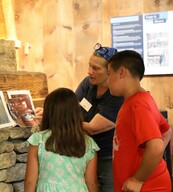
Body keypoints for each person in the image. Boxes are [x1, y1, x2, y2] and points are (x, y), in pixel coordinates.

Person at [34, 42, 123, 192]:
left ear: (110, 72)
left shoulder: (117, 96)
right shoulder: (88, 83)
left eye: (96, 68)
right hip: (83, 151)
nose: (89, 71)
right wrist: (49, 110)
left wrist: (54, 116)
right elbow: (70, 109)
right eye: (89, 66)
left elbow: (93, 128)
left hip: (107, 157)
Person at [107, 50, 172, 192]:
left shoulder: (138, 105)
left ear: (122, 72)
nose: (108, 80)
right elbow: (166, 131)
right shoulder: (141, 100)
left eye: (109, 74)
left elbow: (156, 147)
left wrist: (138, 179)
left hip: (148, 187)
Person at [25, 88, 99, 192]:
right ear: (76, 113)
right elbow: (92, 183)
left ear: (49, 112)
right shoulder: (89, 144)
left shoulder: (38, 140)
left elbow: (30, 181)